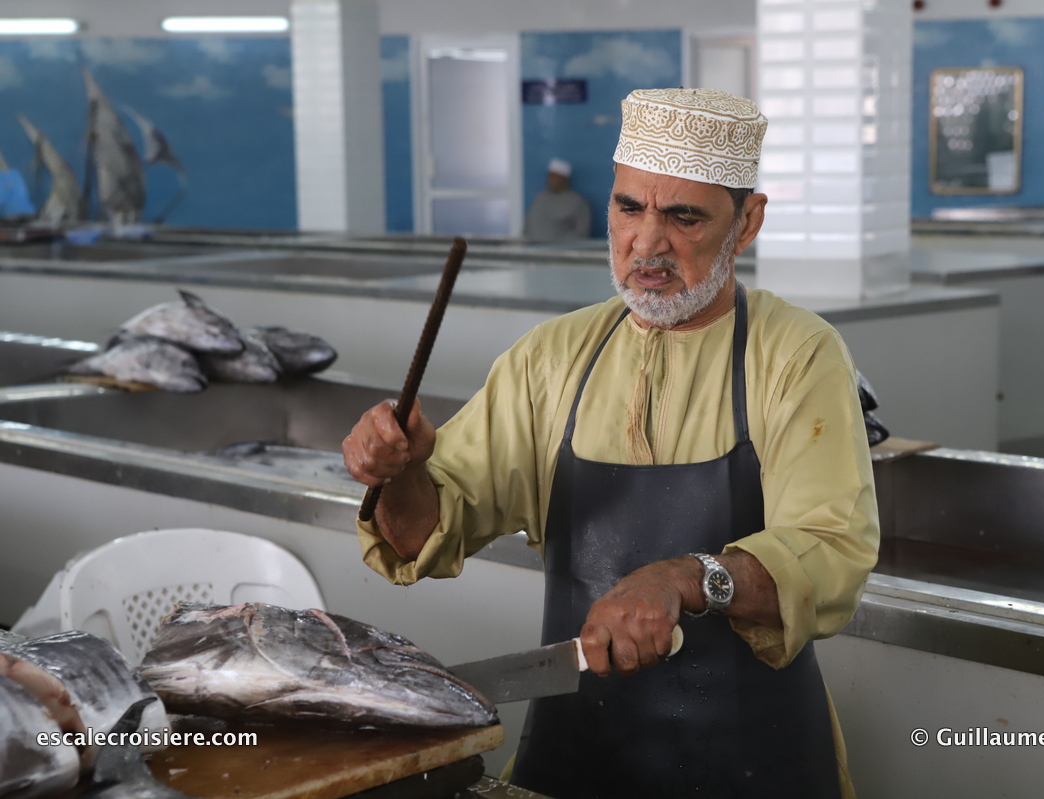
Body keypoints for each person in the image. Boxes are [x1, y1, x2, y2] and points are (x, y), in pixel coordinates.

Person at [344, 88, 879, 799]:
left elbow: (831, 548)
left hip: (755, 760)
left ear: (746, 222)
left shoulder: (796, 354)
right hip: (575, 751)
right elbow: (417, 536)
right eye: (629, 208)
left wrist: (684, 577)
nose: (647, 243)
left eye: (684, 216)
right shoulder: (553, 355)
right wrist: (403, 472)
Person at [523, 157, 592, 242]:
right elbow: (528, 224)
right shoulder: (540, 197)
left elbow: (582, 232)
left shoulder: (577, 201)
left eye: (555, 176)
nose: (550, 180)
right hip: (532, 250)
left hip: (559, 252)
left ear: (565, 179)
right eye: (549, 176)